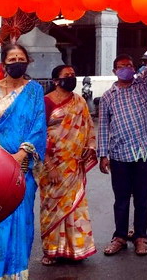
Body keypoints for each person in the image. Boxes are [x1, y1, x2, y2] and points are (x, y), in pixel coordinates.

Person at [0, 44, 47, 280]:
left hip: (24, 165)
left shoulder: (34, 90)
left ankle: (17, 274)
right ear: (4, 62)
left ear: (28, 61)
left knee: (23, 219)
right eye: (12, 58)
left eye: (21, 58)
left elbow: (39, 126)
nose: (17, 62)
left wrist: (21, 154)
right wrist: (0, 156)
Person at [98, 52, 147, 257]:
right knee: (121, 199)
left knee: (142, 196)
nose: (127, 68)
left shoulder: (143, 86)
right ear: (114, 71)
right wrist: (103, 155)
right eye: (122, 66)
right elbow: (103, 127)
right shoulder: (107, 97)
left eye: (130, 65)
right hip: (119, 154)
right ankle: (120, 237)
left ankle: (140, 236)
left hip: (145, 150)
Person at [39, 65, 97, 265]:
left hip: (74, 165)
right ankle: (52, 250)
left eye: (73, 74)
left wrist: (90, 147)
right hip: (51, 165)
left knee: (75, 205)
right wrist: (50, 166)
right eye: (67, 75)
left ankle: (76, 247)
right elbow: (38, 135)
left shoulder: (79, 101)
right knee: (51, 206)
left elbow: (88, 127)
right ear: (56, 81)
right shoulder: (45, 102)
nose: (71, 77)